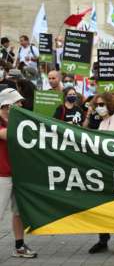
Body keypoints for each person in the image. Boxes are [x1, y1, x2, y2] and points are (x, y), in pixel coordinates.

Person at [88, 92, 114, 255]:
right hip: (103, 169)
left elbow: (108, 142)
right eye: (97, 105)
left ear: (110, 104)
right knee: (102, 206)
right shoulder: (102, 121)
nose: (99, 108)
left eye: (102, 104)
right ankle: (103, 239)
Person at [0, 88, 37, 258]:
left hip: (18, 174)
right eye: (17, 102)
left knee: (18, 212)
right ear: (6, 105)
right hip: (2, 175)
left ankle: (19, 246)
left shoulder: (15, 120)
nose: (21, 104)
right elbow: (9, 135)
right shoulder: (7, 123)